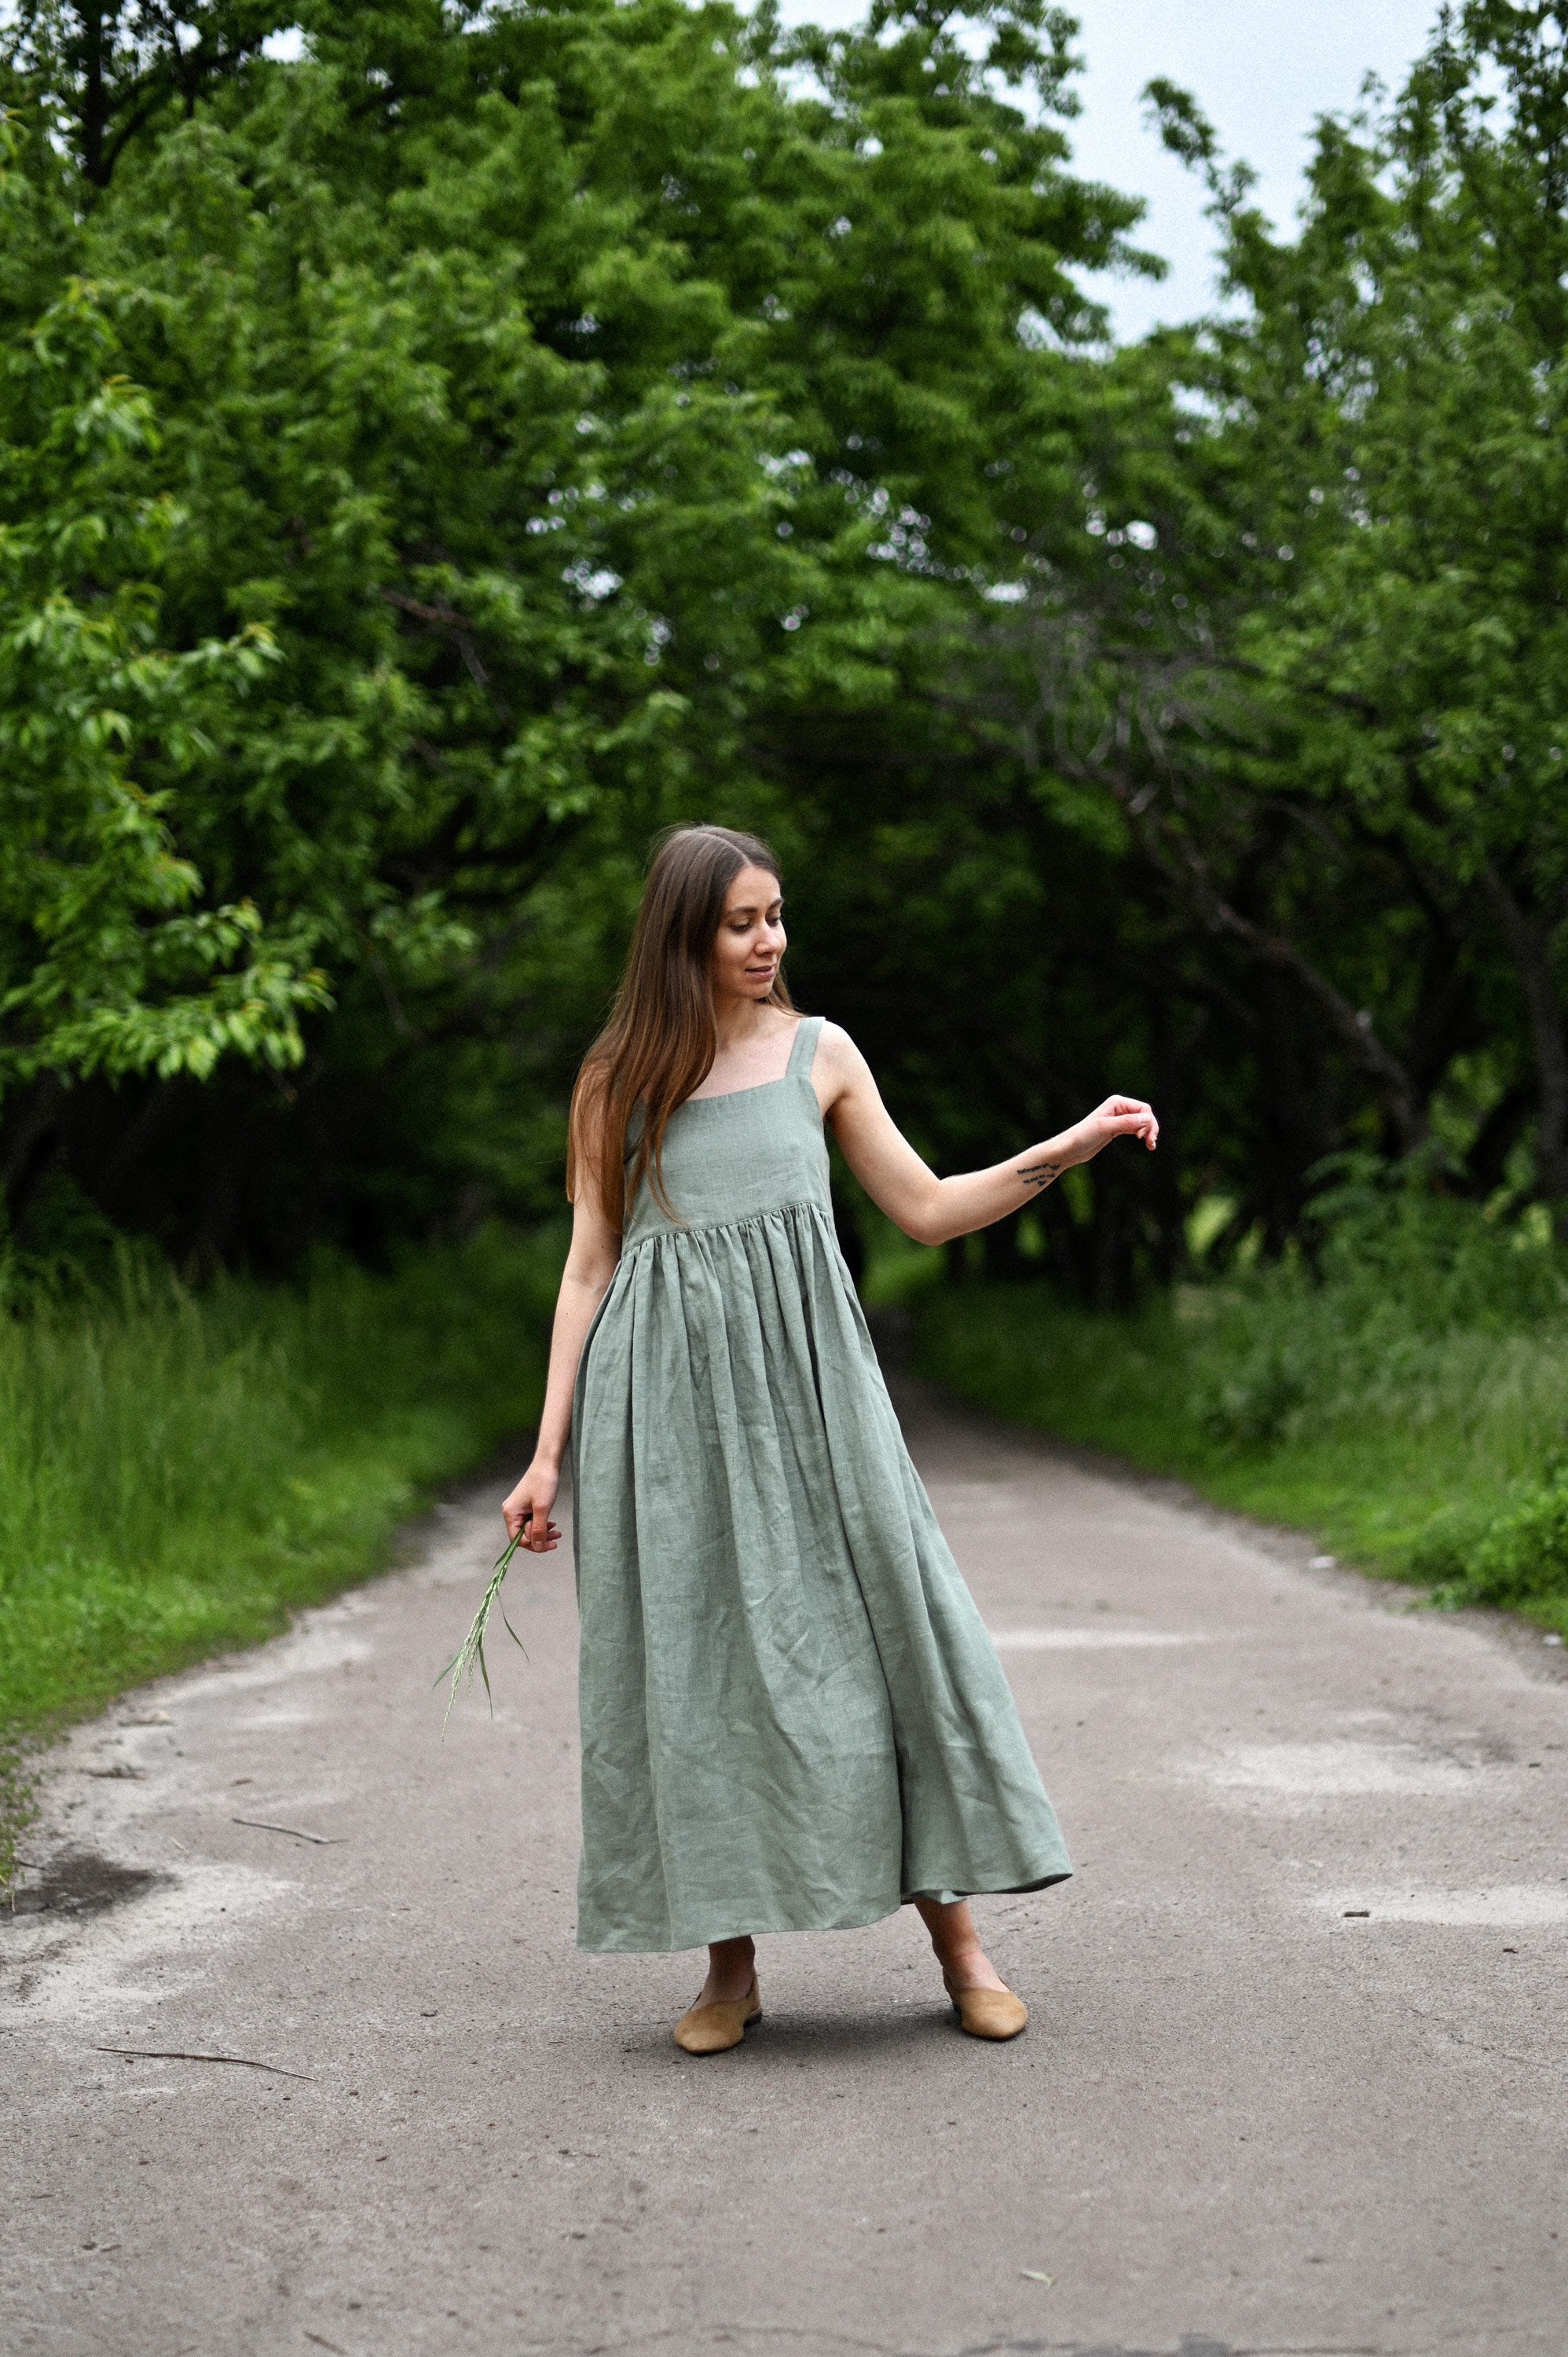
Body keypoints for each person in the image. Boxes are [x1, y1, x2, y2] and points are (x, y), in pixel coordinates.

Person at [503, 824, 1158, 2054]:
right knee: (697, 1671)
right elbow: (587, 1270)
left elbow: (924, 1211)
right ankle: (729, 1969)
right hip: (664, 1416)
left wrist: (1067, 1147)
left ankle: (962, 1946)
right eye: (743, 923)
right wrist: (549, 1455)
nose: (769, 942)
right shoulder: (616, 1081)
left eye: (776, 917)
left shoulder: (821, 1053)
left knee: (881, 1637)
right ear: (683, 936)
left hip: (812, 1401)